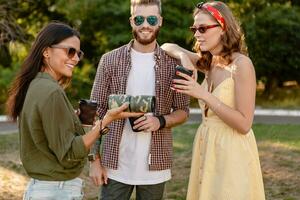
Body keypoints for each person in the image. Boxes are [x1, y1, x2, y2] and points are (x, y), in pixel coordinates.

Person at [5, 22, 141, 200]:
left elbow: (47, 135)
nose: (76, 59)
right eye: (70, 51)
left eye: (78, 53)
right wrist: (107, 120)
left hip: (42, 189)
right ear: (46, 52)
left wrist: (73, 120)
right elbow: (70, 153)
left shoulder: (35, 84)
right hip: (56, 191)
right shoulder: (52, 92)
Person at [161, 1, 265, 200]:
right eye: (194, 28)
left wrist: (202, 94)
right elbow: (168, 46)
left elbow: (244, 124)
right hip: (208, 147)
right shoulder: (210, 62)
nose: (197, 34)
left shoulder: (242, 65)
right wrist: (184, 57)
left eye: (203, 28)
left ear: (223, 27)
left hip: (232, 151)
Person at [88, 0, 190, 199]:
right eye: (139, 19)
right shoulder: (109, 60)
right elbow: (95, 111)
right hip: (114, 166)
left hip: (155, 168)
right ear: (131, 22)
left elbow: (183, 111)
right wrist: (94, 160)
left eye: (151, 19)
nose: (145, 25)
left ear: (160, 21)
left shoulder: (173, 64)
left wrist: (160, 121)